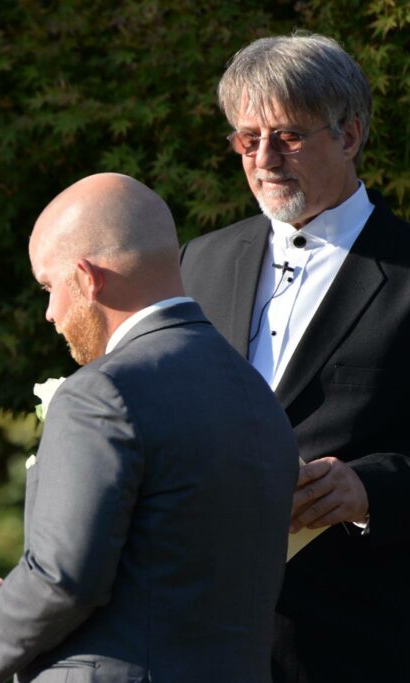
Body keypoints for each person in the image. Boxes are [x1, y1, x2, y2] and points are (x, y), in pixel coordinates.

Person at [0, 173, 299, 682]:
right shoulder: (255, 393)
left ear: (87, 276)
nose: (50, 314)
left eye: (50, 288)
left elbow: (62, 578)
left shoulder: (103, 391)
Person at [179, 33, 410, 682]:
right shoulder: (202, 259)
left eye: (288, 136)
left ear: (351, 134)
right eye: (246, 138)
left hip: (359, 643)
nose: (263, 158)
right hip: (202, 639)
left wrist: (369, 489)